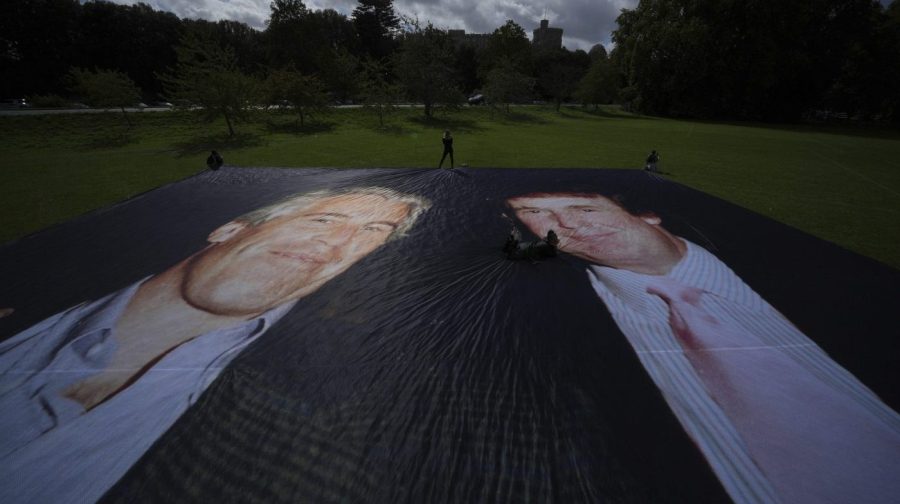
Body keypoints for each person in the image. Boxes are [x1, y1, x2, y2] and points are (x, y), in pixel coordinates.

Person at [0, 187, 430, 504]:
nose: (335, 243)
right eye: (325, 220)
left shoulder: (310, 411)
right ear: (229, 229)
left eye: (373, 232)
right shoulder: (27, 300)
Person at [506, 191, 900, 504]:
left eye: (585, 209)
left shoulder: (821, 285)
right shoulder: (556, 320)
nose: (566, 222)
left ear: (648, 218)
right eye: (537, 215)